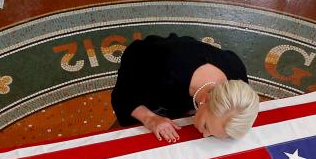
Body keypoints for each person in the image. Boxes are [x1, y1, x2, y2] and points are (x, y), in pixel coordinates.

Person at [111, 34, 259, 142]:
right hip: (144, 64)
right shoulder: (165, 73)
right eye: (206, 126)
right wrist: (150, 118)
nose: (205, 135)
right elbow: (122, 96)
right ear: (206, 100)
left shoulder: (237, 81)